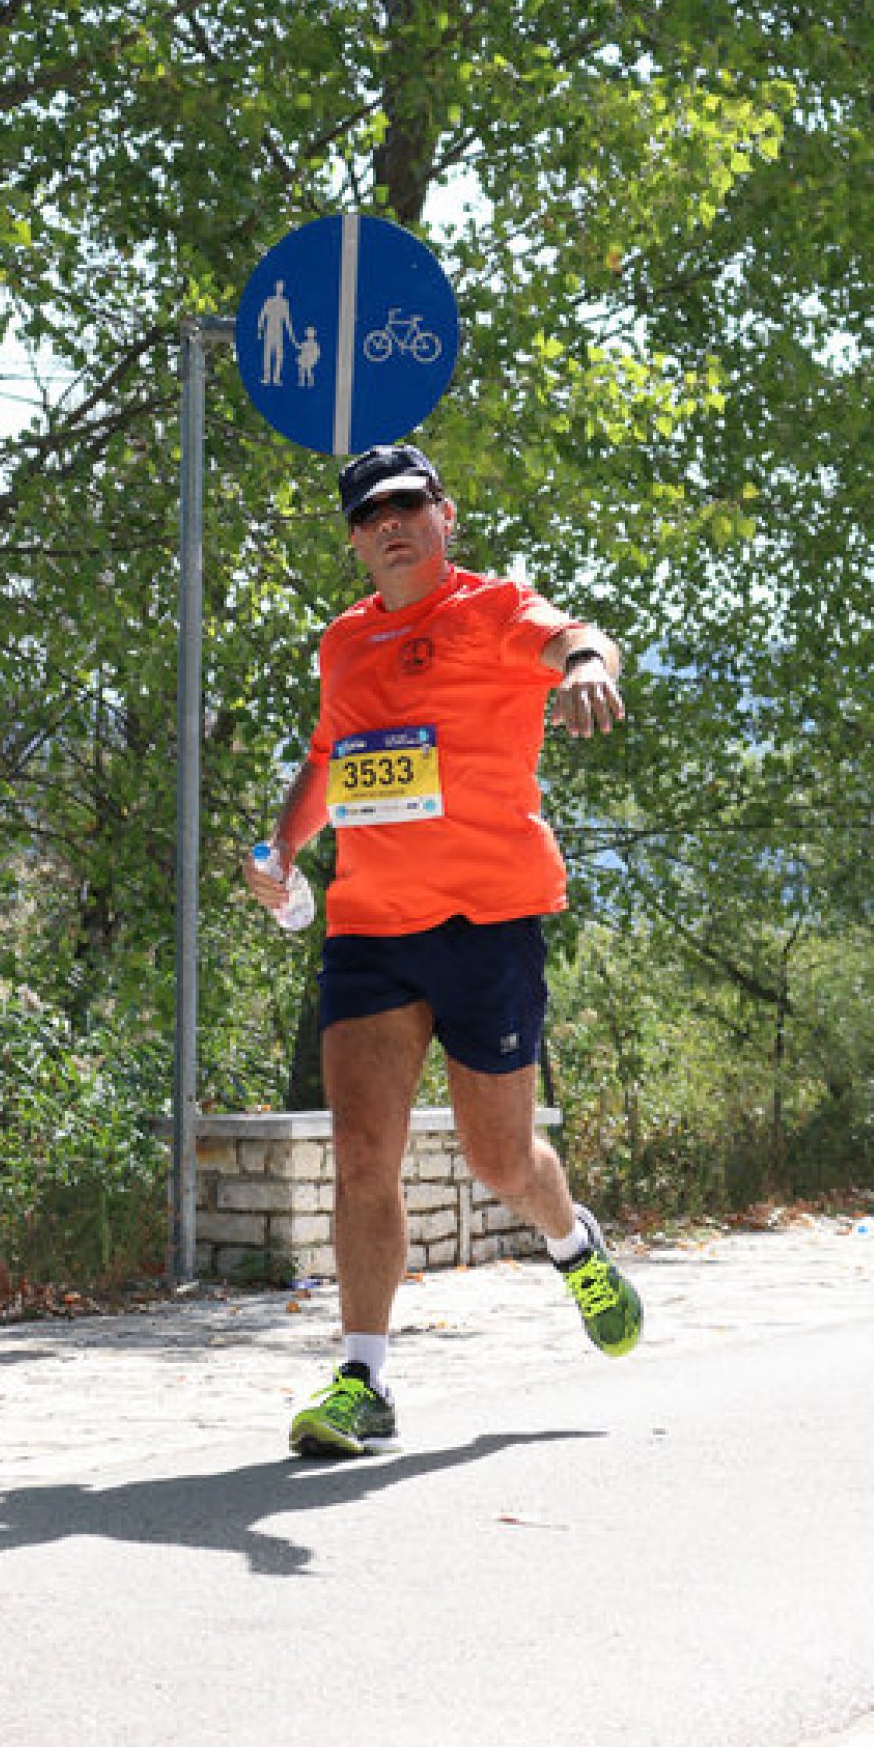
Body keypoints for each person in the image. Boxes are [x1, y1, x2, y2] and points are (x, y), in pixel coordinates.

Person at [243, 441, 642, 1459]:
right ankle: (364, 1379)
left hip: (486, 922)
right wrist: (282, 847)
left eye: (405, 505)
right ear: (353, 540)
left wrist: (586, 666)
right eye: (368, 514)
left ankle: (572, 1243)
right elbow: (331, 756)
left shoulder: (494, 609)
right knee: (361, 1154)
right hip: (371, 929)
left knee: (498, 1159)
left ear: (442, 515)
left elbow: (578, 639)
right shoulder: (343, 643)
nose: (389, 524)